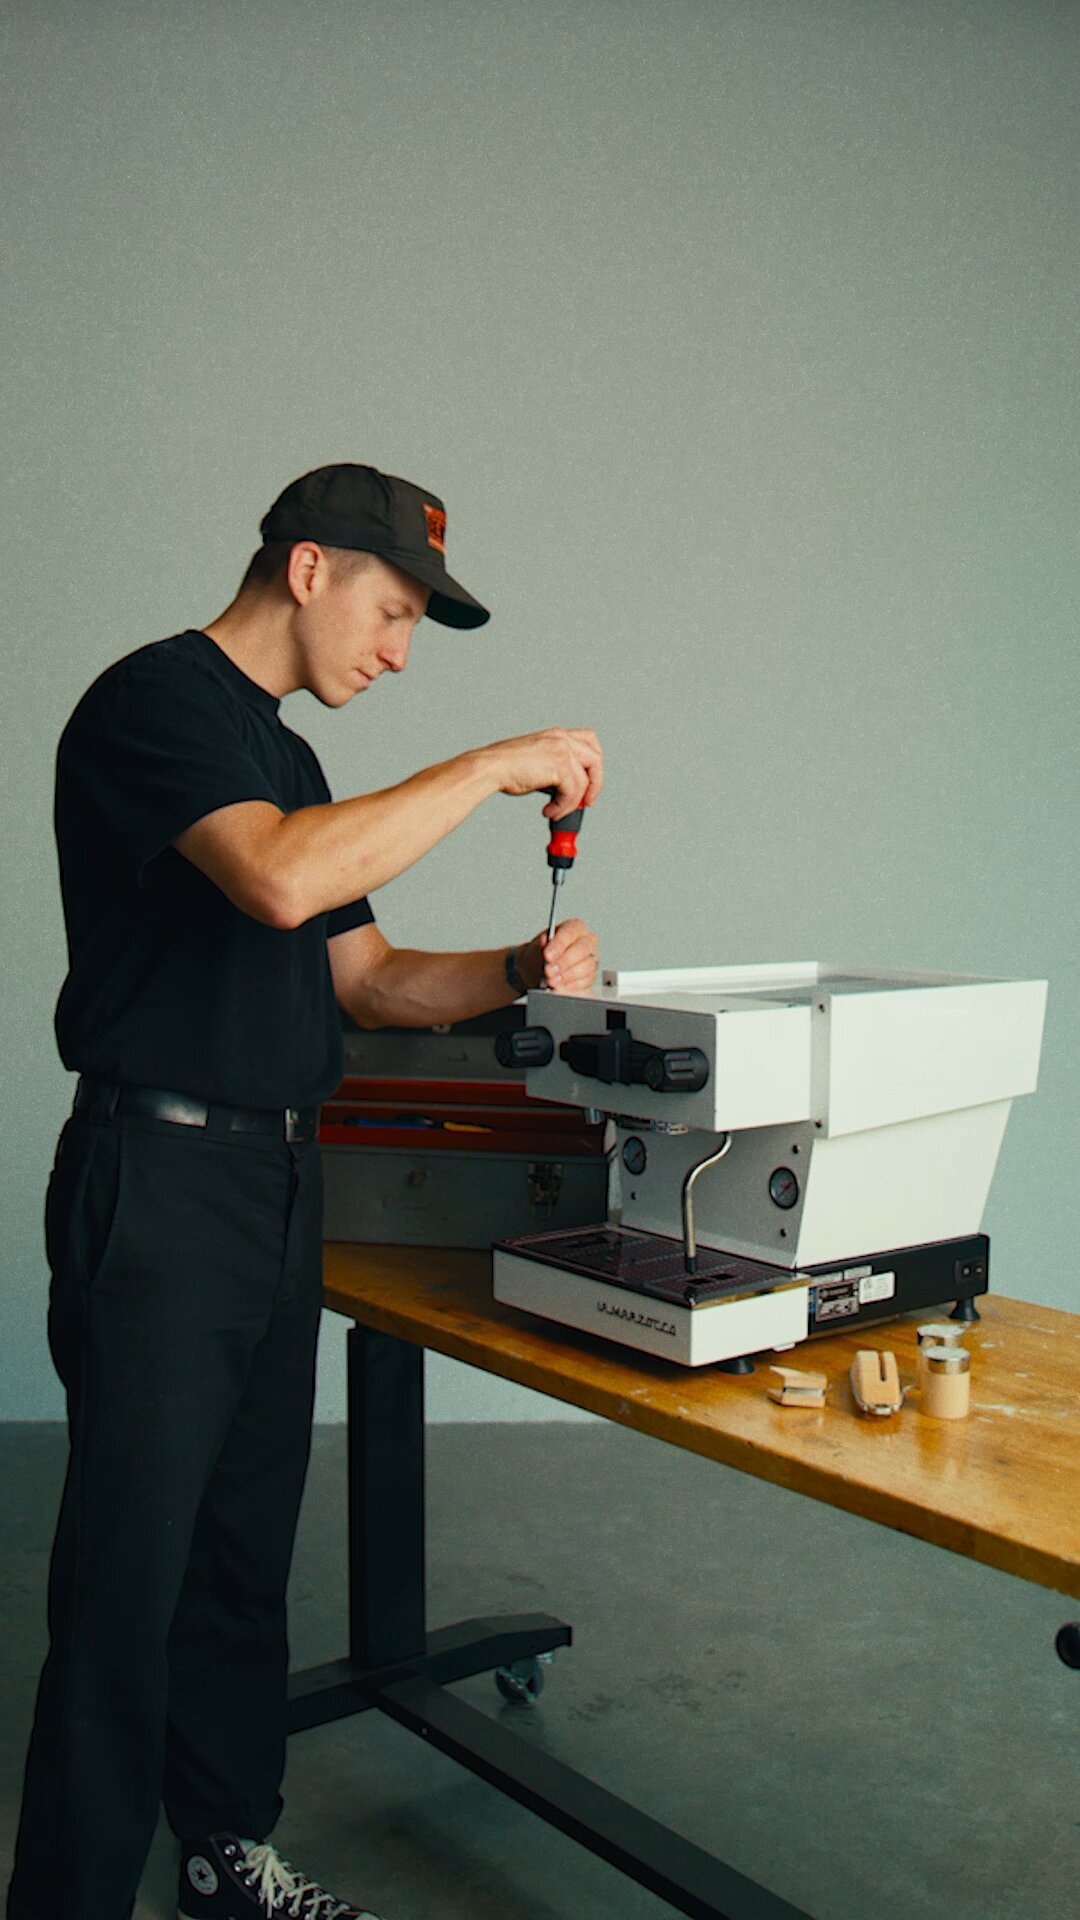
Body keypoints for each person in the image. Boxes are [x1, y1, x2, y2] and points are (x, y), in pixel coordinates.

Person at [8, 462, 603, 1920]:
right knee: (127, 1579)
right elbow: (276, 884)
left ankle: (226, 1852)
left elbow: (370, 979)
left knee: (239, 1557)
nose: (398, 653)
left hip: (279, 1181)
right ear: (309, 567)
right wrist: (487, 765)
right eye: (393, 613)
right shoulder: (154, 703)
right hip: (159, 1179)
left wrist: (519, 970)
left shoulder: (295, 764)